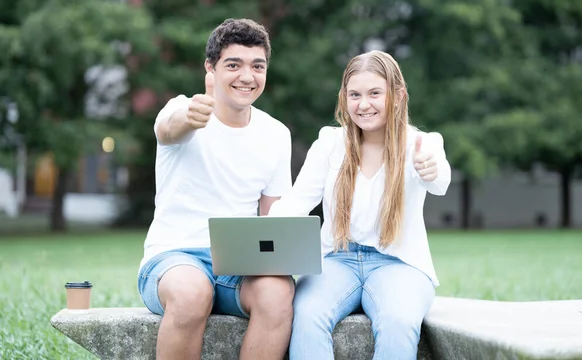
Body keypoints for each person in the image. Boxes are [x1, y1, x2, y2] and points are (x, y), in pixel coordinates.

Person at [269, 50, 451, 359]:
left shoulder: (421, 143)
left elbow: (440, 181)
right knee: (307, 317)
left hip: (400, 264)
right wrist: (263, 233)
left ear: (398, 95)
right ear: (344, 98)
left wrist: (431, 168)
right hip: (336, 261)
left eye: (374, 93)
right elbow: (297, 202)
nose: (363, 104)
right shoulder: (330, 142)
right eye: (354, 94)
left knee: (398, 321)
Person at [138, 18, 294, 360]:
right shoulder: (183, 109)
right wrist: (192, 118)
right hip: (174, 260)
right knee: (193, 293)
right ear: (211, 68)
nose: (247, 77)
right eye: (233, 65)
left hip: (238, 264)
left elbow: (273, 216)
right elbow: (168, 130)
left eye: (258, 66)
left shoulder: (276, 134)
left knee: (278, 292)